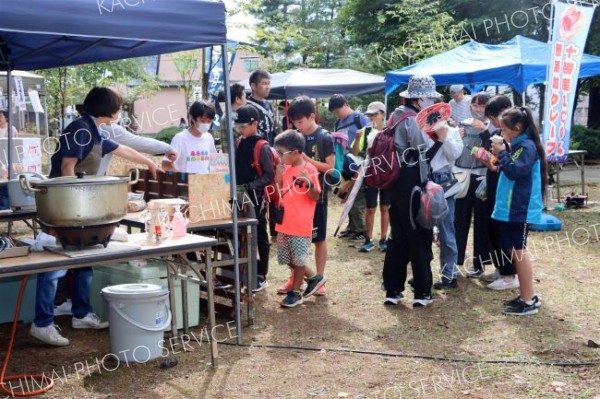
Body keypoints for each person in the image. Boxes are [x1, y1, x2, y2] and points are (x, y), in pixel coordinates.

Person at [31, 87, 162, 347]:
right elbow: (68, 167)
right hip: (63, 206)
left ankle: (80, 313)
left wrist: (150, 163)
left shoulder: (94, 129)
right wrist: (72, 203)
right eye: (117, 105)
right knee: (54, 265)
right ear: (107, 109)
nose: (119, 109)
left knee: (84, 260)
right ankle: (42, 322)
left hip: (81, 206)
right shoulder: (80, 128)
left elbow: (121, 148)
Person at [382, 75, 444, 308]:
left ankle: (393, 290)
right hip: (412, 187)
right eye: (430, 98)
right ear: (419, 99)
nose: (431, 102)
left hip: (394, 186)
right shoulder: (411, 121)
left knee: (397, 238)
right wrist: (440, 141)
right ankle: (422, 291)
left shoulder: (395, 116)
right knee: (419, 236)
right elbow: (421, 157)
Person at [489, 106, 546, 315]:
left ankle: (528, 299)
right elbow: (508, 168)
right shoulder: (519, 145)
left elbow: (515, 171)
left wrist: (502, 153)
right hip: (512, 208)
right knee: (515, 252)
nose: (502, 133)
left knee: (519, 253)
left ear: (518, 127)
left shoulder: (526, 147)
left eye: (504, 129)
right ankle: (526, 295)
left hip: (519, 209)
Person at [277, 96, 335, 296]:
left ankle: (319, 278)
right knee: (292, 243)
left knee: (318, 238)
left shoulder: (324, 137)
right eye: (294, 122)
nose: (297, 125)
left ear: (312, 117)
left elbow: (330, 169)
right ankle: (296, 278)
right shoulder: (293, 137)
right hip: (294, 200)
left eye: (300, 121)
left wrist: (307, 160)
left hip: (316, 197)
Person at [273, 129, 325, 307]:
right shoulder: (285, 168)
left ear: (295, 153)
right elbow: (280, 194)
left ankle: (295, 292)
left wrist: (309, 183)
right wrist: (278, 179)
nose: (279, 156)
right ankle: (313, 278)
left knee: (299, 259)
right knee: (288, 259)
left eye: (281, 153)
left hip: (300, 223)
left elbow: (316, 196)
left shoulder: (308, 169)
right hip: (284, 221)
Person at [234, 105, 274, 292]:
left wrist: (251, 187)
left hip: (256, 197)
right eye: (239, 126)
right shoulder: (240, 142)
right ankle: (245, 270)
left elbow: (269, 175)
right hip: (239, 196)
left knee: (259, 235)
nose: (241, 129)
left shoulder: (262, 146)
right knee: (242, 233)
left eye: (243, 126)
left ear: (255, 124)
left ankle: (261, 274)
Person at [480, 95, 519, 290]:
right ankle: (501, 268)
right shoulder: (497, 133)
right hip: (494, 186)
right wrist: (488, 160)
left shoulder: (515, 137)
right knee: (492, 228)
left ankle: (510, 274)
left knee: (503, 231)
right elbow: (497, 165)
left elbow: (511, 167)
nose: (493, 123)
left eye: (494, 118)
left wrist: (500, 155)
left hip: (506, 191)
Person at [453, 93, 493, 277]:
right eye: (475, 105)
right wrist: (456, 137)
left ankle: (480, 263)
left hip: (482, 178)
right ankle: (456, 259)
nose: (478, 109)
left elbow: (494, 152)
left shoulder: (493, 126)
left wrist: (485, 131)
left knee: (482, 222)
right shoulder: (463, 123)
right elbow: (454, 150)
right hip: (462, 176)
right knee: (460, 219)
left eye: (482, 106)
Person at [427, 102, 464, 290]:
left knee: (446, 231)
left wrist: (445, 136)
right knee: (423, 231)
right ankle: (423, 273)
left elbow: (454, 155)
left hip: (444, 186)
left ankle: (449, 275)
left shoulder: (452, 131)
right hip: (424, 184)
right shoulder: (421, 130)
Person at [329, 94, 370, 242]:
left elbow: (370, 138)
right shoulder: (338, 123)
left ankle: (360, 230)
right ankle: (352, 227)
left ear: (345, 104)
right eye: (334, 112)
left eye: (338, 110)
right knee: (347, 197)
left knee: (358, 197)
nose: (336, 114)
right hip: (345, 164)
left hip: (359, 162)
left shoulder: (360, 118)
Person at [351, 101, 390, 252]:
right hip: (371, 171)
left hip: (387, 172)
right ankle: (368, 239)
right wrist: (357, 137)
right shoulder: (365, 131)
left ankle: (384, 239)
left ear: (383, 115)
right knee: (370, 207)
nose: (372, 117)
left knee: (385, 206)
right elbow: (355, 153)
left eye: (375, 114)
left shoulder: (390, 131)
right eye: (369, 115)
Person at [246, 70, 278, 239]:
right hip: (255, 153)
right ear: (253, 86)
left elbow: (274, 130)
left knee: (274, 190)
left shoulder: (269, 105)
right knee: (260, 193)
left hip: (270, 151)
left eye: (268, 83)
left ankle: (275, 230)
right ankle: (261, 230)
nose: (267, 87)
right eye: (263, 83)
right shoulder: (247, 106)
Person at [97, 123, 177, 175]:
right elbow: (134, 144)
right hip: (90, 184)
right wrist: (168, 149)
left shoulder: (88, 124)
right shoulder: (106, 128)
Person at [169, 100, 218, 173]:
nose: (206, 124)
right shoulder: (180, 138)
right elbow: (166, 165)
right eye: (202, 120)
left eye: (209, 121)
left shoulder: (209, 138)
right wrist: (183, 178)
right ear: (193, 118)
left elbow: (215, 162)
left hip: (205, 182)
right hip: (186, 182)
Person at [220, 83, 247, 154]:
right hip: (233, 161)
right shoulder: (229, 117)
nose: (246, 100)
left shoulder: (232, 115)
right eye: (244, 96)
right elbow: (245, 134)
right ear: (237, 99)